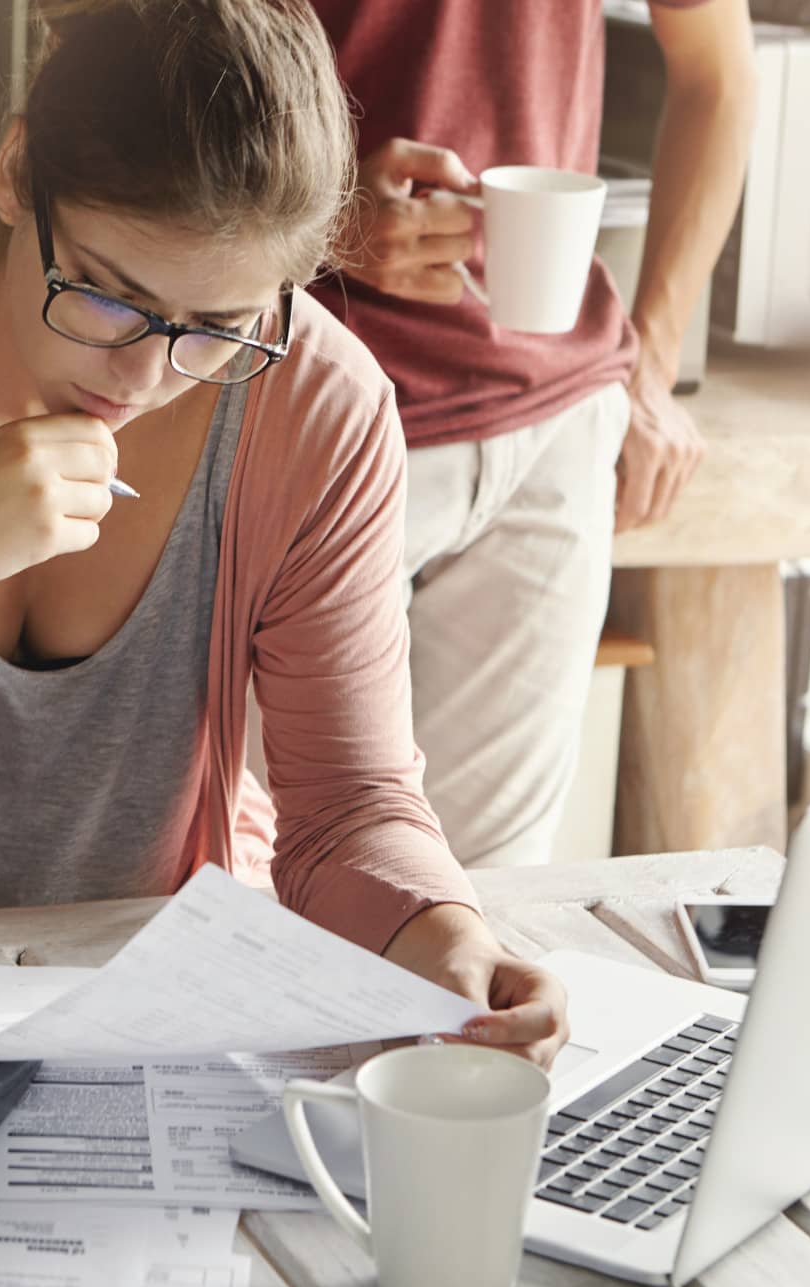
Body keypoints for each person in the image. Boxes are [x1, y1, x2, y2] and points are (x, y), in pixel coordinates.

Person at [0, 0, 569, 1067]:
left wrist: (446, 943)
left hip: (127, 999)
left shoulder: (316, 406)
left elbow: (348, 806)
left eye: (217, 328)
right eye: (109, 295)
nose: (143, 375)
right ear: (17, 173)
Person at [305, 0, 757, 866]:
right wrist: (318, 212)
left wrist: (651, 367)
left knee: (492, 921)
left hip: (551, 436)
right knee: (285, 887)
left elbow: (719, 73)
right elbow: (135, 74)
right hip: (311, 417)